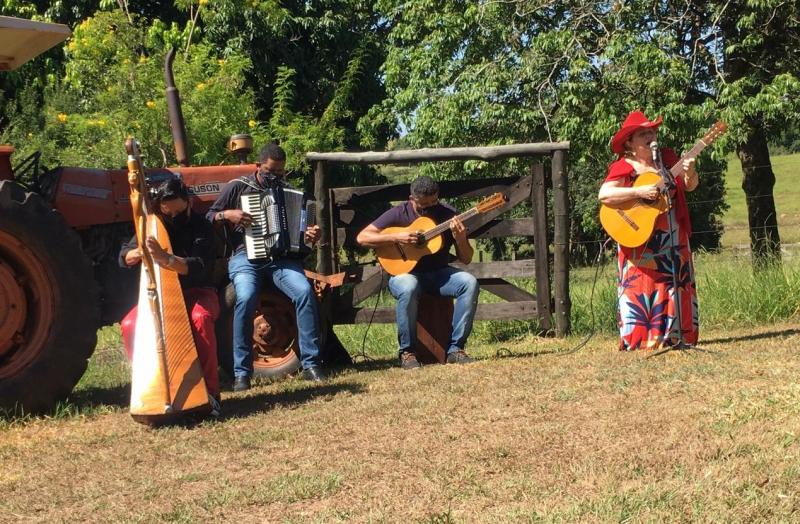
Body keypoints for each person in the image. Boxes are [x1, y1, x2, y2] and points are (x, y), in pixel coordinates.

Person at [206, 143, 324, 391]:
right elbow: (208, 217)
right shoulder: (238, 186)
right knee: (246, 297)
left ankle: (311, 364)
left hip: (281, 260)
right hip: (245, 257)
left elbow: (303, 235)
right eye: (271, 172)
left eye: (280, 172)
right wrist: (227, 215)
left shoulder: (288, 190)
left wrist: (310, 234)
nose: (276, 177)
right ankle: (242, 373)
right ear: (258, 166)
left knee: (304, 292)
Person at [598, 110, 700, 350]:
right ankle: (642, 338)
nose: (650, 136)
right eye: (643, 133)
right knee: (641, 285)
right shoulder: (624, 166)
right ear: (629, 143)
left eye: (652, 131)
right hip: (639, 235)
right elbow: (605, 195)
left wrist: (690, 171)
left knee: (677, 283)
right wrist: (638, 192)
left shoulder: (667, 158)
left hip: (673, 233)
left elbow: (689, 186)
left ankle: (677, 335)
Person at [119, 176, 221, 414]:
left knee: (200, 319)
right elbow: (123, 255)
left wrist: (167, 260)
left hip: (199, 291)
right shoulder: (154, 224)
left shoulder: (201, 225)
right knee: (130, 324)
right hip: (163, 296)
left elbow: (198, 266)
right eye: (168, 213)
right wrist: (136, 253)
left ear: (187, 202)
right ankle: (149, 388)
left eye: (178, 212)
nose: (173, 218)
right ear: (160, 208)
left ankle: (211, 394)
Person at [356, 175, 480, 369]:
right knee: (409, 286)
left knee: (469, 282)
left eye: (434, 202)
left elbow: (466, 258)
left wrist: (461, 238)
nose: (429, 208)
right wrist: (398, 237)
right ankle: (407, 353)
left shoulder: (448, 214)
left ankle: (456, 349)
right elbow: (362, 237)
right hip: (404, 275)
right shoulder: (398, 213)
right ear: (412, 199)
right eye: (424, 205)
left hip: (439, 275)